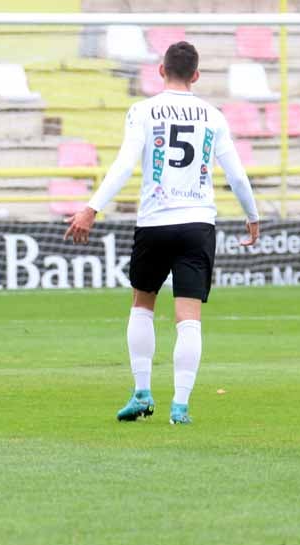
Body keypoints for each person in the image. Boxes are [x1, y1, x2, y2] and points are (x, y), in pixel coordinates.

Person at [63, 41, 259, 425]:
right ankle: (180, 407)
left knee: (143, 303)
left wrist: (91, 208)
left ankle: (141, 393)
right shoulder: (213, 115)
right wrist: (252, 215)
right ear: (197, 75)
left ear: (160, 70)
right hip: (198, 223)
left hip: (155, 222)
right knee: (189, 317)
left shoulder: (143, 110)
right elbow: (235, 173)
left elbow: (123, 164)